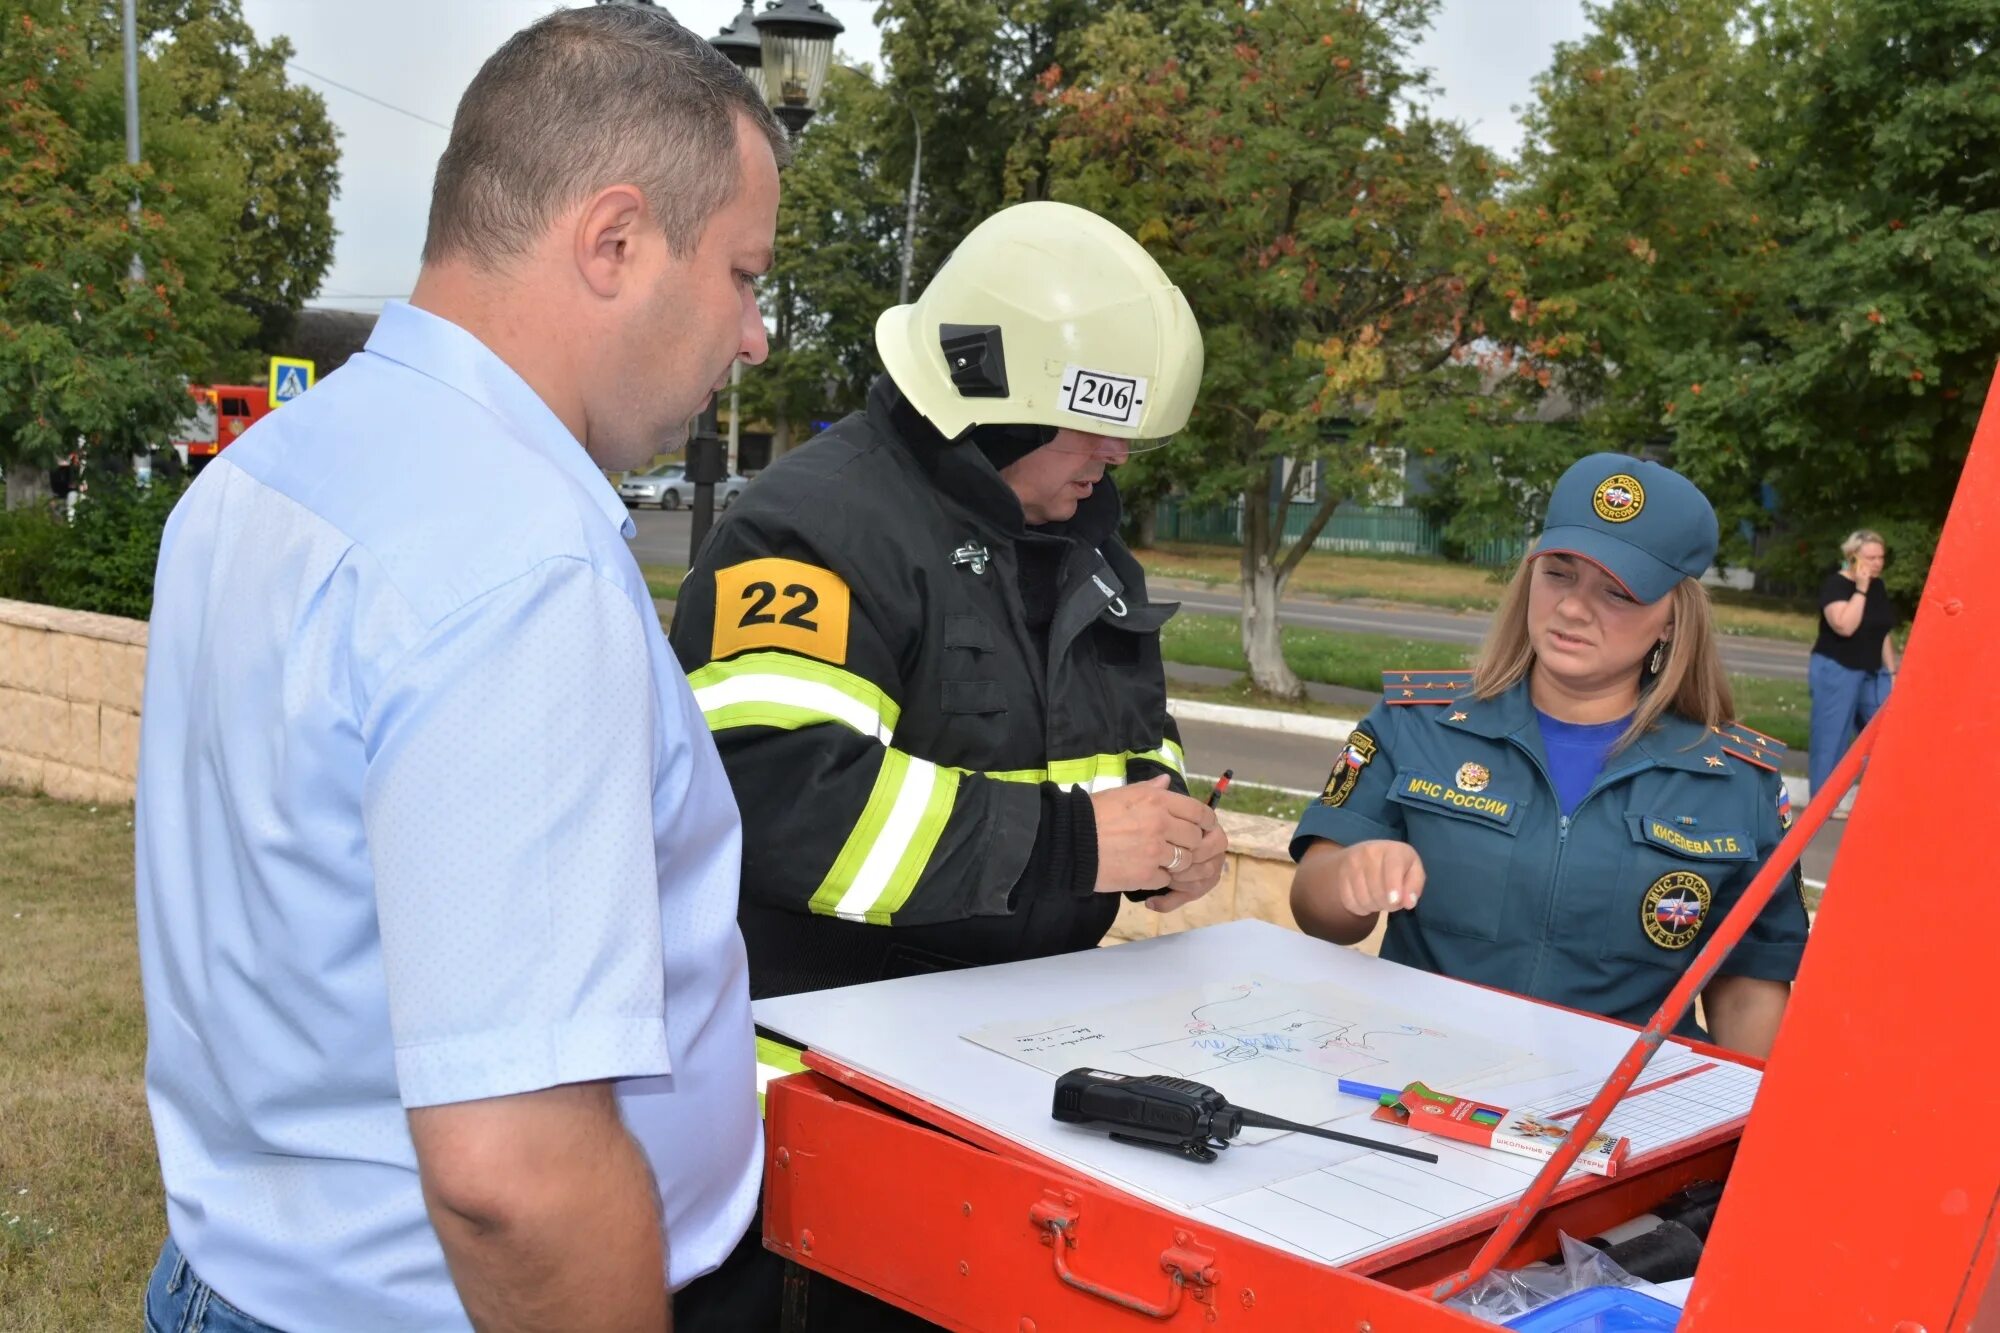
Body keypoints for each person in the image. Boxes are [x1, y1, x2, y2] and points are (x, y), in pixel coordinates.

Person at [135, 9, 786, 1331]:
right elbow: (514, 1176)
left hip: (246, 1271)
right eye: (744, 274)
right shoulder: (517, 563)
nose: (756, 334)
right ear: (613, 242)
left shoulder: (267, 471)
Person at [668, 200, 1226, 1329]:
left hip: (1002, 1075)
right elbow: (781, 804)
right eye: (1091, 431)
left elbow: (1122, 742)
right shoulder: (811, 532)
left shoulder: (1078, 534)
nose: (1114, 459)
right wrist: (1077, 841)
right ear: (996, 404)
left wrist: (1165, 826)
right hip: (813, 1108)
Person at [1288, 454, 1808, 1059]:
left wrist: (1749, 1136)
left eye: (1617, 592)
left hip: (1617, 1116)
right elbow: (1314, 903)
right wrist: (1351, 880)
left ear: (1671, 620)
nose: (1573, 608)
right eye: (1558, 574)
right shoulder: (1416, 725)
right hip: (1423, 1086)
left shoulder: (1737, 783)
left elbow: (1747, 985)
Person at [1808, 529, 1897, 818]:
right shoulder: (1836, 585)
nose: (1877, 563)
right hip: (1838, 668)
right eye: (1871, 557)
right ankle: (1822, 805)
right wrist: (1860, 588)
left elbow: (1882, 632)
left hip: (1873, 672)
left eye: (1881, 557)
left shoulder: (1879, 587)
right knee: (1831, 738)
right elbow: (1844, 625)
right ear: (1853, 556)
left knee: (1886, 736)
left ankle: (1880, 801)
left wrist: (1892, 671)